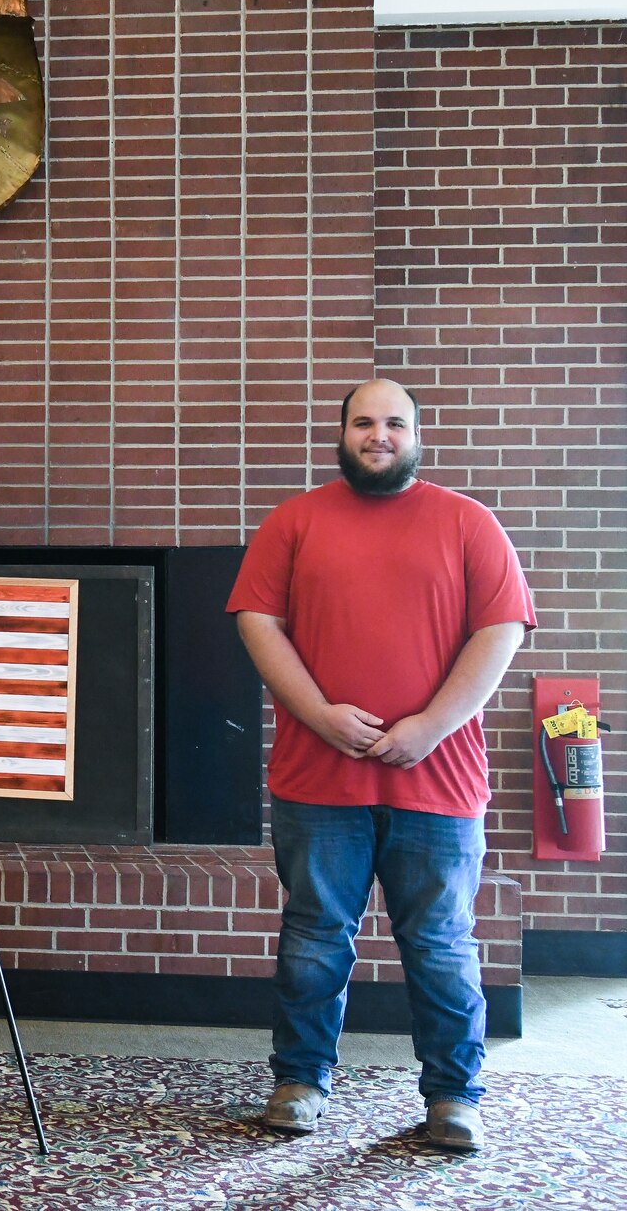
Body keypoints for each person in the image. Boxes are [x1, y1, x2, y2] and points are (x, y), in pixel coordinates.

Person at [227, 379, 533, 1154]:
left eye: (395, 422)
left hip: (439, 780)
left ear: (418, 435)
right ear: (341, 434)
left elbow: (500, 633)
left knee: (440, 944)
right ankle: (298, 1082)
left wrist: (432, 726)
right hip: (317, 779)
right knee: (313, 938)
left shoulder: (469, 522)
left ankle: (454, 1097)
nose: (379, 434)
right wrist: (321, 715)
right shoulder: (294, 522)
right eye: (364, 421)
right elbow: (259, 623)